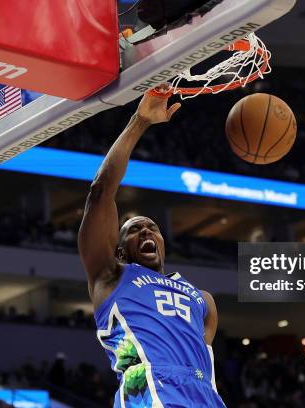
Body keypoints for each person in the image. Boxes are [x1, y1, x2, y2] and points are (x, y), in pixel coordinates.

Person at [79, 85, 226, 407]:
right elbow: (100, 192)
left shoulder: (203, 301)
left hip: (205, 395)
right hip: (149, 387)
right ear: (119, 250)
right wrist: (140, 121)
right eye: (133, 230)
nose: (145, 231)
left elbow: (198, 358)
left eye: (152, 228)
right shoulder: (111, 275)